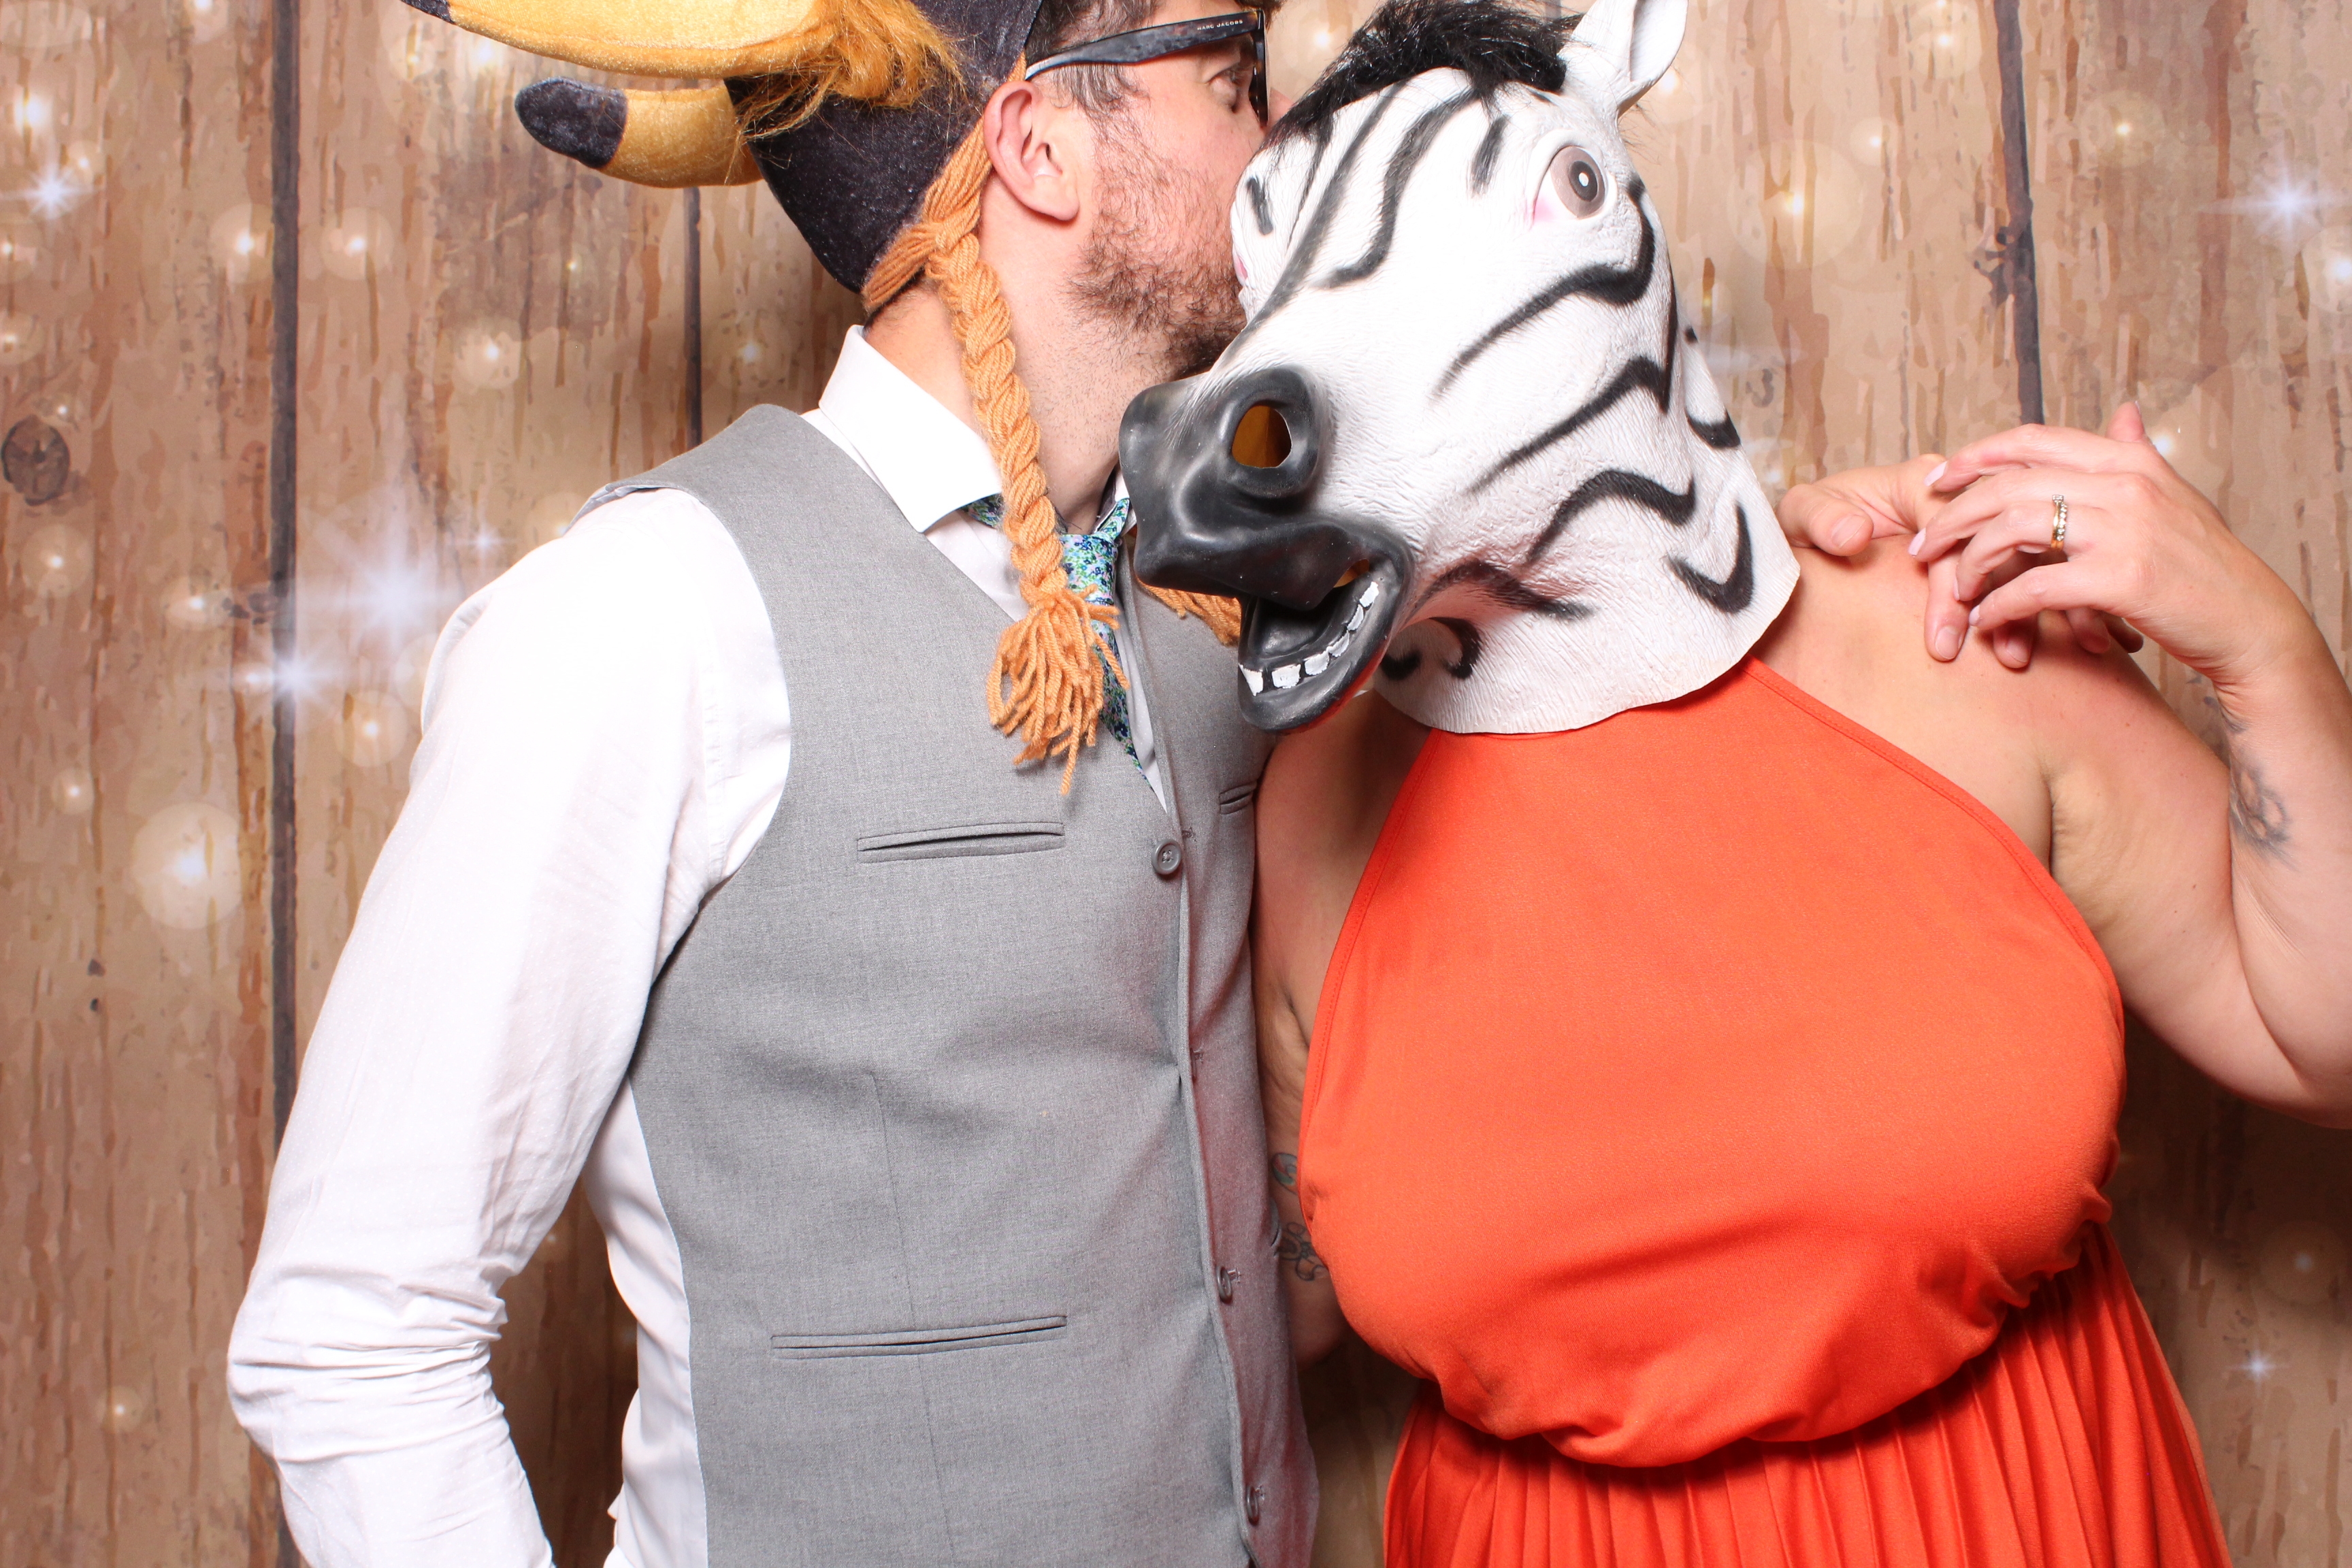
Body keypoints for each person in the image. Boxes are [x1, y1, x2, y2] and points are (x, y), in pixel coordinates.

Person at [1106, 1, 2352, 1560]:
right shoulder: (1319, 802)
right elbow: (1272, 1299)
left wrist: (2266, 649)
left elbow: (2317, 1034)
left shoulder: (1953, 639)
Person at [229, 0, 1309, 1561]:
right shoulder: (648, 610)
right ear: (1041, 146)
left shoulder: (1208, 613)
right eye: (1234, 85)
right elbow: (352, 1326)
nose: (1281, 141)